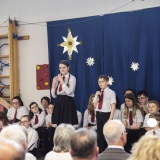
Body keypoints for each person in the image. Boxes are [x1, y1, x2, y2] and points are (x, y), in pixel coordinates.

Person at [93, 75, 116, 153]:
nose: (100, 83)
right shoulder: (98, 92)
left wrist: (110, 118)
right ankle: (100, 152)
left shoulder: (111, 92)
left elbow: (113, 105)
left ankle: (108, 152)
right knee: (100, 134)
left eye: (102, 81)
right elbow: (94, 105)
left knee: (106, 134)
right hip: (98, 114)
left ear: (107, 82)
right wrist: (96, 95)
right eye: (99, 82)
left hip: (106, 114)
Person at [51, 60, 78, 125]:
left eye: (64, 67)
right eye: (60, 68)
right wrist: (53, 84)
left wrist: (62, 81)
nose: (62, 69)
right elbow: (54, 95)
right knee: (59, 124)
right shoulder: (58, 78)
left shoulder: (72, 78)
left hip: (67, 102)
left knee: (68, 124)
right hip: (59, 102)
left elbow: (69, 92)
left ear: (68, 68)